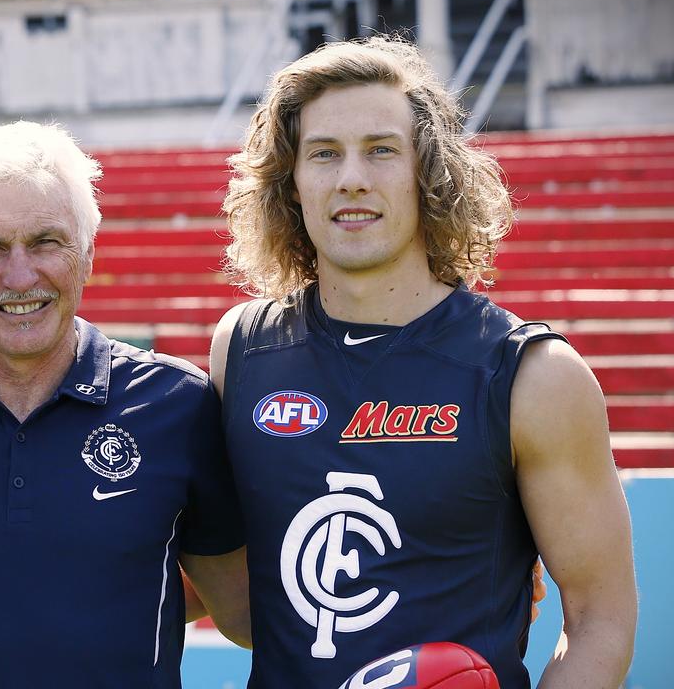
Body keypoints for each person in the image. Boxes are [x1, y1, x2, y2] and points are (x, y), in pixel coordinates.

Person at [209, 36, 637, 687]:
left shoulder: (532, 375)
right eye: (324, 154)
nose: (351, 177)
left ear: (427, 172)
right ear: (292, 183)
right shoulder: (240, 350)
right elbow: (247, 611)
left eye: (381, 150)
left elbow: (601, 616)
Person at [0, 120, 251, 688]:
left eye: (46, 241)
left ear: (87, 251)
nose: (21, 275)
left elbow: (243, 616)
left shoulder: (179, 406)